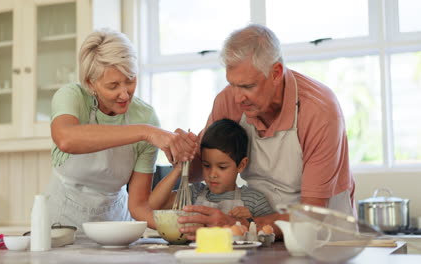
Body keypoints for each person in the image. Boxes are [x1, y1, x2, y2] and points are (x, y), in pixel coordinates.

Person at [176, 24, 355, 238]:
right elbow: (197, 172)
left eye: (248, 86)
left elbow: (310, 217)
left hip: (323, 239)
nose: (237, 97)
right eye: (232, 84)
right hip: (259, 233)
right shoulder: (228, 101)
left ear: (276, 73)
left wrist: (238, 224)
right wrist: (183, 153)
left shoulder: (319, 111)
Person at [45, 28, 196, 233]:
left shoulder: (145, 116)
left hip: (116, 224)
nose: (124, 94)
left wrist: (176, 228)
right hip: (61, 222)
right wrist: (146, 132)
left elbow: (139, 205)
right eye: (113, 85)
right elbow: (65, 139)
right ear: (91, 83)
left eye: (130, 80)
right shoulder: (72, 97)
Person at [149, 118, 274, 219]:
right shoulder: (194, 194)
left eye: (222, 167)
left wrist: (251, 222)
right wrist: (179, 169)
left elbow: (270, 232)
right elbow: (152, 205)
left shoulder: (254, 201)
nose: (213, 174)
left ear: (241, 165)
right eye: (206, 165)